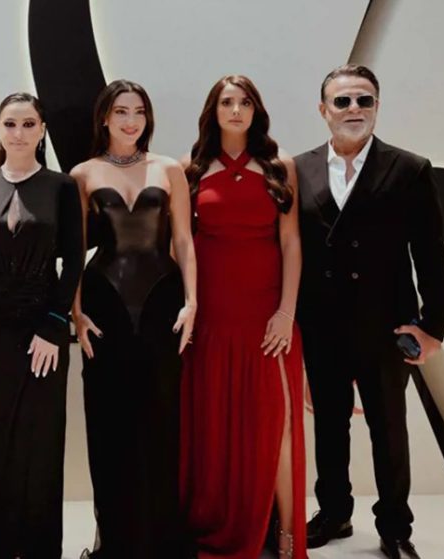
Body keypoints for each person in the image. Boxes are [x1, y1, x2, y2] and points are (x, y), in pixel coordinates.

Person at [296, 64, 444, 559]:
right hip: (321, 324)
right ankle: (334, 513)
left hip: (386, 325)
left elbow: (430, 254)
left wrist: (432, 327)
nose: (354, 109)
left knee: (388, 429)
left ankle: (395, 527)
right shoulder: (297, 170)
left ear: (377, 106)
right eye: (342, 101)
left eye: (364, 100)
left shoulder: (409, 169)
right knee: (329, 425)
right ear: (324, 110)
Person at [0, 92, 84, 559]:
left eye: (28, 124)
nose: (19, 133)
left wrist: (53, 325)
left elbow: (73, 262)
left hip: (42, 326)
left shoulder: (62, 187)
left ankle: (40, 547)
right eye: (10, 124)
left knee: (40, 439)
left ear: (42, 130)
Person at [179, 75, 306, 559]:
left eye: (245, 102)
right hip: (212, 314)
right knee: (214, 426)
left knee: (278, 425)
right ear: (213, 111)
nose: (236, 110)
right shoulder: (191, 169)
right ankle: (217, 522)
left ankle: (288, 537)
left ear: (257, 111)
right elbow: (181, 245)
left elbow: (291, 242)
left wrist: (286, 312)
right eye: (227, 102)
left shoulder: (280, 166)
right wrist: (189, 306)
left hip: (267, 315)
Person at [69, 80, 196, 559]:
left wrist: (193, 301)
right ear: (104, 117)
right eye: (121, 111)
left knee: (161, 422)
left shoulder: (169, 169)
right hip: (104, 306)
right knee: (109, 425)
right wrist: (76, 312)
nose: (130, 121)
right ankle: (116, 540)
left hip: (164, 304)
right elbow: (74, 250)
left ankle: (160, 540)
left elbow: (183, 241)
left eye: (139, 111)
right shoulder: (82, 174)